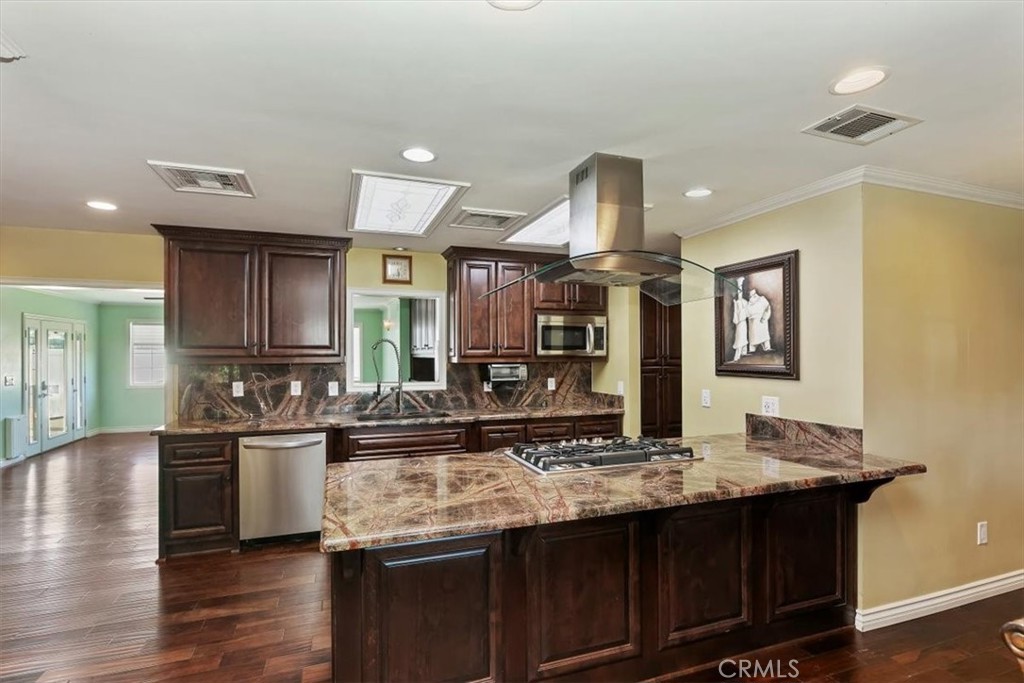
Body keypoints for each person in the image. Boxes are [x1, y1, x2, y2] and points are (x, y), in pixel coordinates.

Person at [746, 288, 772, 352]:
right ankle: (752, 350)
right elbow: (747, 313)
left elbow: (767, 308)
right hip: (752, 323)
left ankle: (767, 347)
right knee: (753, 338)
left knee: (764, 336)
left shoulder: (762, 299)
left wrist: (764, 318)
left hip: (761, 321)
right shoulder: (748, 303)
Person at [731, 278, 748, 362]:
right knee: (740, 337)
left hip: (742, 322)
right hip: (740, 323)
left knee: (742, 336)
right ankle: (738, 354)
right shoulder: (738, 302)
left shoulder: (744, 302)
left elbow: (746, 311)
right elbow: (736, 313)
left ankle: (743, 352)